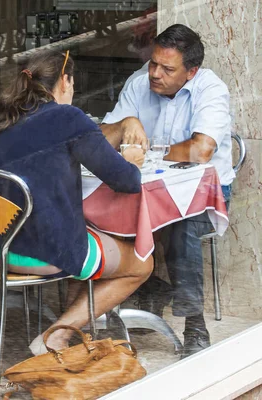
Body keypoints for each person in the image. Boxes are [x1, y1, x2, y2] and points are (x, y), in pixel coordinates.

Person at [0, 49, 153, 354]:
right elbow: (126, 181)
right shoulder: (67, 117)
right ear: (66, 81)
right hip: (41, 253)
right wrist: (133, 160)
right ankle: (57, 334)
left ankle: (68, 333)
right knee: (142, 264)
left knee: (83, 233)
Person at [100, 24, 234, 358]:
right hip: (146, 193)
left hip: (205, 198)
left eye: (167, 69)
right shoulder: (139, 82)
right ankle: (149, 287)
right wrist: (124, 126)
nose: (155, 74)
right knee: (100, 205)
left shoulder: (211, 90)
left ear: (191, 72)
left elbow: (200, 150)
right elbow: (101, 140)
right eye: (153, 64)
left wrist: (152, 149)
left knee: (182, 225)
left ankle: (194, 323)